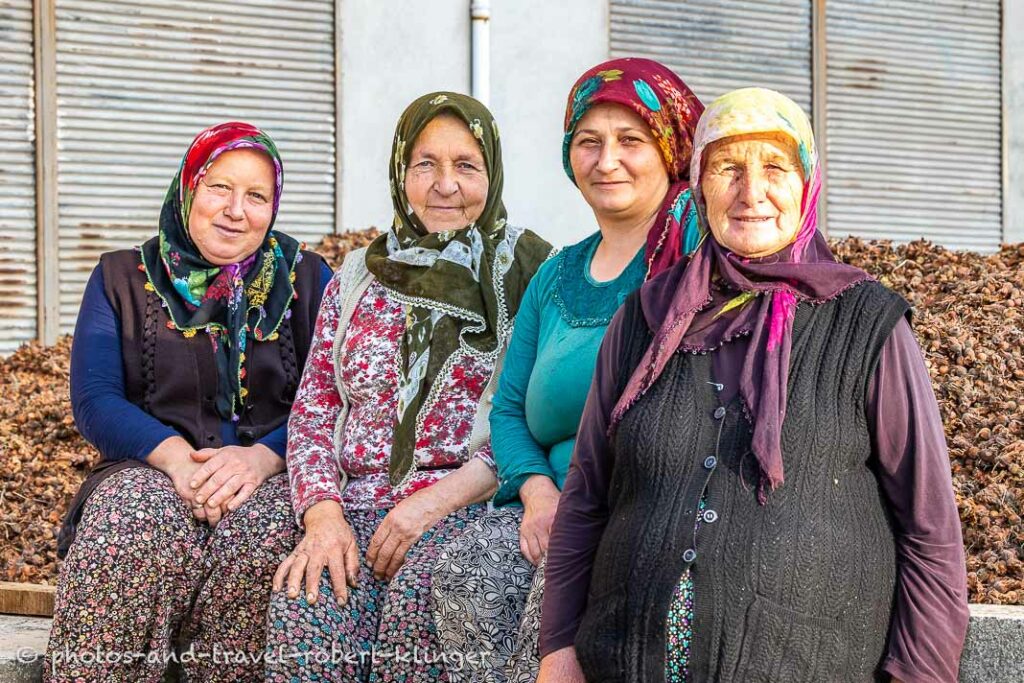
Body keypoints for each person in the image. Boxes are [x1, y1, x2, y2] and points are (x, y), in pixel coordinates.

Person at [538, 87, 970, 682]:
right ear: (697, 182)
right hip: (624, 662)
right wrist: (558, 649)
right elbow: (586, 496)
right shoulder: (645, 317)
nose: (751, 192)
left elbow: (930, 530)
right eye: (726, 168)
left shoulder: (866, 324)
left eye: (775, 167)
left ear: (807, 182)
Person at [431, 58, 703, 682]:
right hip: (543, 507)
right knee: (443, 576)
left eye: (631, 140)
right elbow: (507, 409)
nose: (606, 160)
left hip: (634, 506)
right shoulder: (556, 274)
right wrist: (537, 493)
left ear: (672, 146)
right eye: (588, 141)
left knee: (549, 629)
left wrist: (575, 506)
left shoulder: (695, 265)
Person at [264, 92, 552, 682]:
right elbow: (316, 408)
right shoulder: (356, 274)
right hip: (355, 506)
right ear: (401, 171)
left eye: (466, 166)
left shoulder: (530, 271)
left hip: (467, 508)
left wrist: (433, 503)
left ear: (491, 174)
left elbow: (536, 414)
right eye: (426, 164)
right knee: (306, 602)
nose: (445, 184)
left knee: (416, 616)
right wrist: (322, 515)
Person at [45, 122, 333, 682]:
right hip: (150, 468)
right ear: (188, 188)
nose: (235, 210)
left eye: (256, 195)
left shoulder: (308, 278)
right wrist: (175, 458)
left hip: (273, 473)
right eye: (219, 187)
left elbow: (334, 395)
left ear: (274, 206)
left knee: (268, 542)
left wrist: (265, 457)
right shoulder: (121, 277)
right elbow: (95, 398)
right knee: (128, 525)